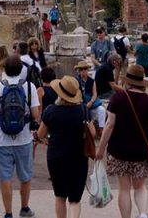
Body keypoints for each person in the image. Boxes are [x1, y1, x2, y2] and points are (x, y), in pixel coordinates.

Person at [96, 64, 148, 218]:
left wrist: (101, 148)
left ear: (128, 81)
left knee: (124, 188)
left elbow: (109, 125)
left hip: (119, 150)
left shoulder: (118, 97)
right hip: (141, 151)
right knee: (140, 186)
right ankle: (142, 213)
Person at [0, 55, 41, 218]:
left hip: (2, 139)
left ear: (4, 69)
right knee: (25, 176)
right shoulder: (29, 87)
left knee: (5, 177)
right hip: (24, 138)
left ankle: (8, 212)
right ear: (21, 70)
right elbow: (36, 114)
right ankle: (24, 208)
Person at [36, 75, 94, 218]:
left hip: (56, 155)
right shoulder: (83, 110)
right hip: (78, 155)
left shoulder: (51, 111)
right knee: (75, 198)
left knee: (60, 195)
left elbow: (40, 134)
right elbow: (92, 132)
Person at [74, 61, 103, 131]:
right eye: (81, 69)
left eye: (85, 69)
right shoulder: (76, 81)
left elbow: (95, 93)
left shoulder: (92, 81)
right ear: (79, 71)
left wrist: (91, 101)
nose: (83, 71)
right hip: (80, 103)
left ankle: (101, 128)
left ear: (87, 70)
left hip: (90, 102)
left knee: (102, 110)